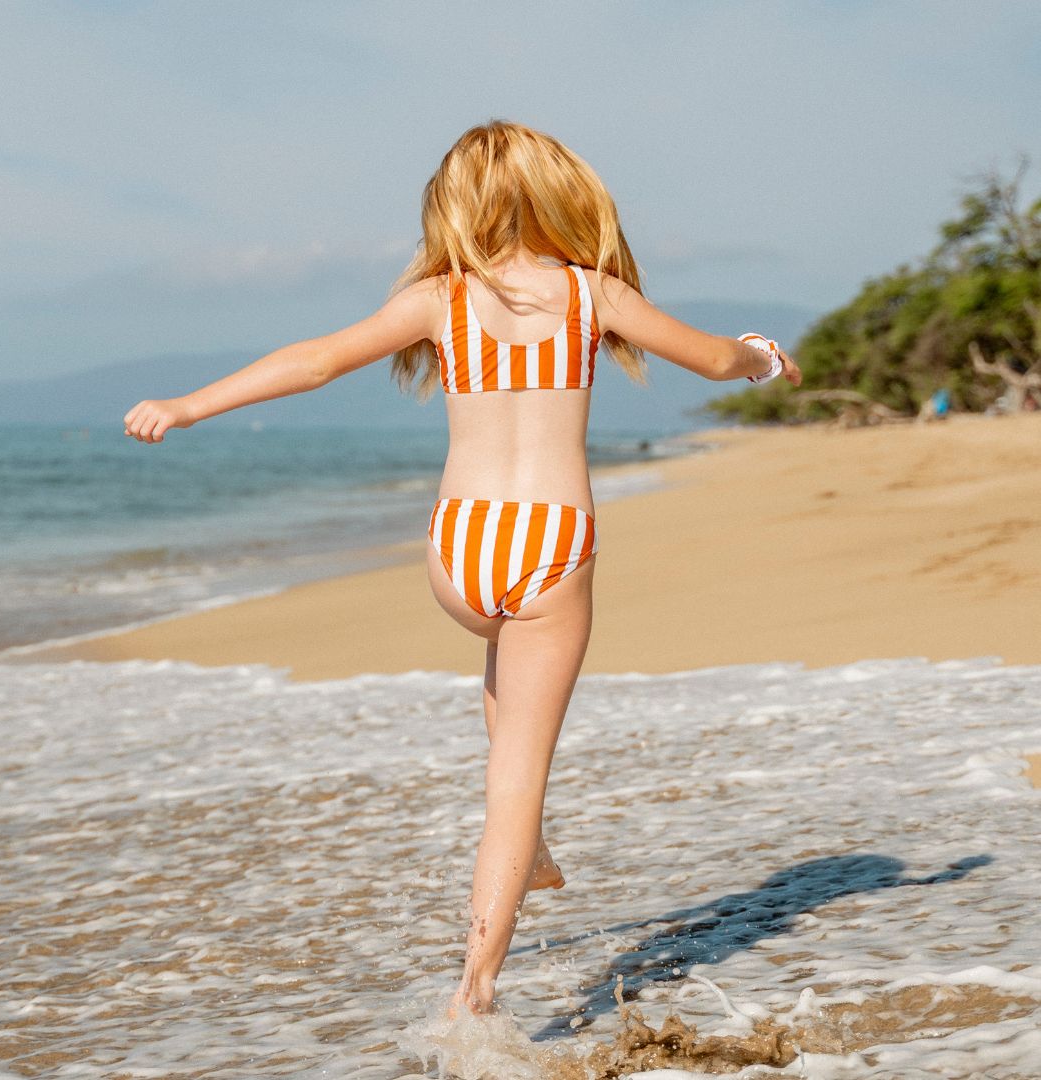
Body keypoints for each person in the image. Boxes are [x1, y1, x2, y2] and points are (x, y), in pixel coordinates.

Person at [122, 120, 802, 1020]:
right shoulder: (592, 294)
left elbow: (316, 361)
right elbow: (717, 358)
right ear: (560, 196)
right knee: (516, 776)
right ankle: (476, 985)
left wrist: (189, 404)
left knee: (505, 681)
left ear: (455, 205)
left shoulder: (440, 299)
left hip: (459, 546)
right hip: (552, 541)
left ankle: (537, 849)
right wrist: (764, 356)